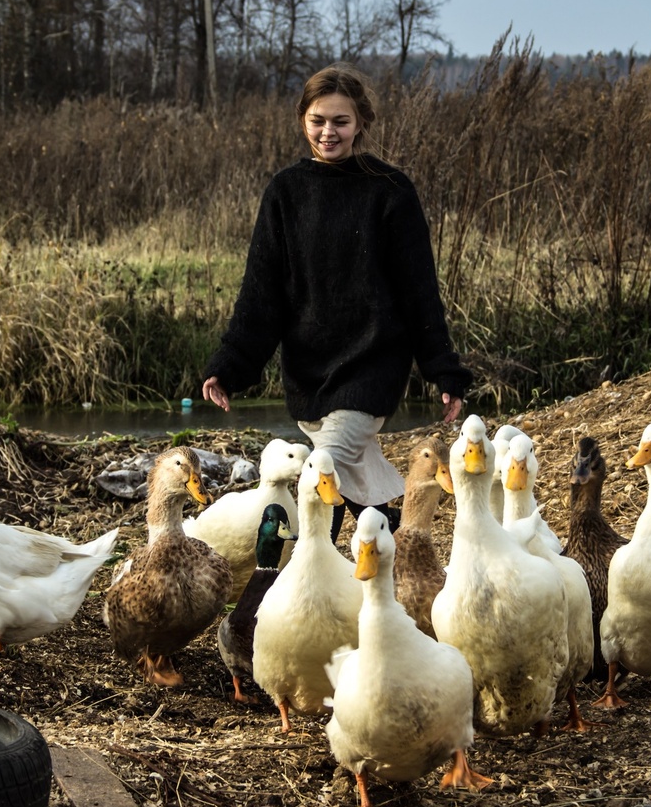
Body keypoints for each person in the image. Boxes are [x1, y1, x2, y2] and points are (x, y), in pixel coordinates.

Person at [201, 63, 470, 542]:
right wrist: (230, 365)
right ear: (303, 118)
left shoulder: (389, 191)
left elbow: (419, 291)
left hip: (373, 362)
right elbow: (261, 293)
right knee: (355, 480)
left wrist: (443, 369)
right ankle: (393, 557)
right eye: (318, 120)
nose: (328, 132)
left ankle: (278, 584)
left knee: (320, 475)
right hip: (310, 368)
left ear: (361, 122)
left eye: (341, 121)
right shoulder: (285, 192)